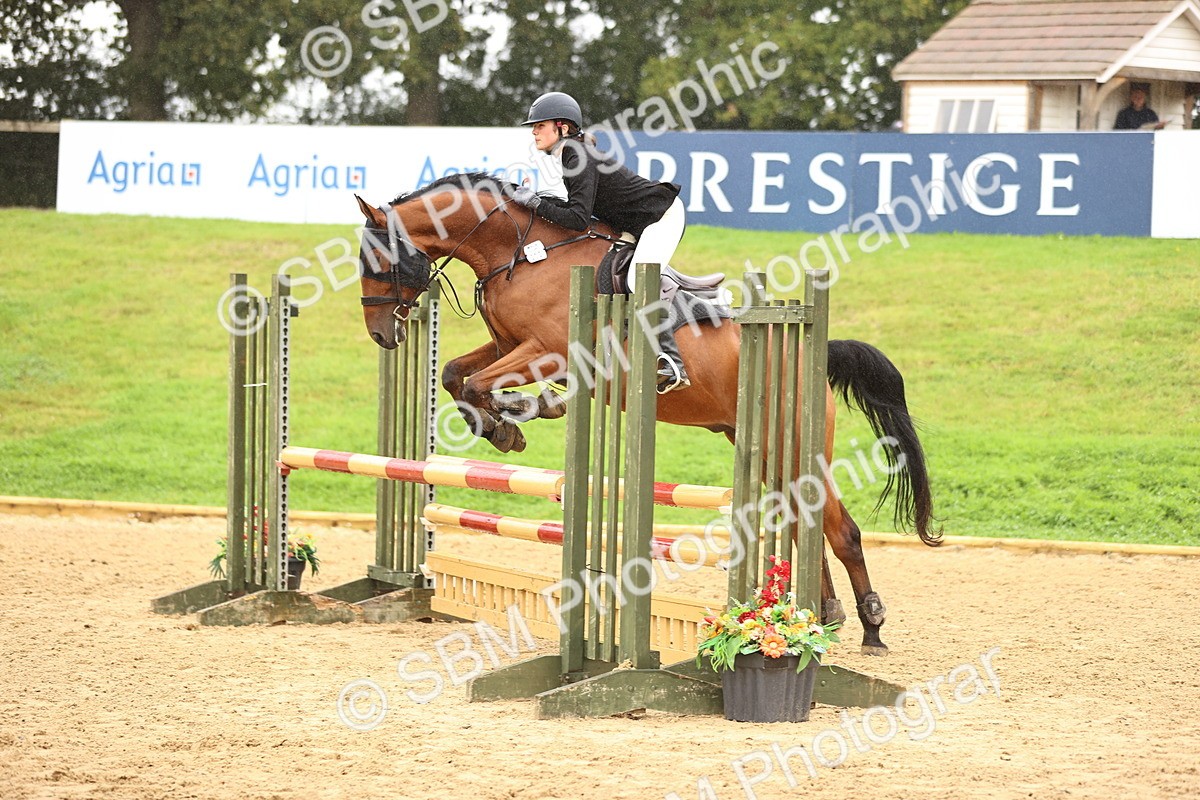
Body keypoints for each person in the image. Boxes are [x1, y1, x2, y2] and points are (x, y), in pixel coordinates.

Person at [509, 91, 691, 393]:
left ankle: (672, 364)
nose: (534, 132)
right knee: (608, 274)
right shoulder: (572, 154)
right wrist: (537, 199)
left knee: (637, 279)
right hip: (632, 224)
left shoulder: (576, 155)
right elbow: (577, 210)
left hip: (661, 218)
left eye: (540, 125)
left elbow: (578, 218)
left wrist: (534, 203)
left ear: (562, 127)